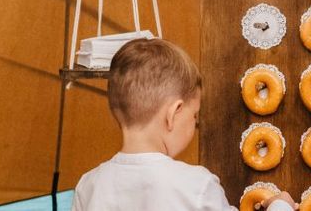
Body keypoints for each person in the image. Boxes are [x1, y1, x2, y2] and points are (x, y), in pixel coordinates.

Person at [72, 37, 297, 211]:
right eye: (194, 116)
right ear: (174, 113)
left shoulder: (89, 185)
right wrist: (281, 205)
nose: (194, 124)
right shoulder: (196, 186)